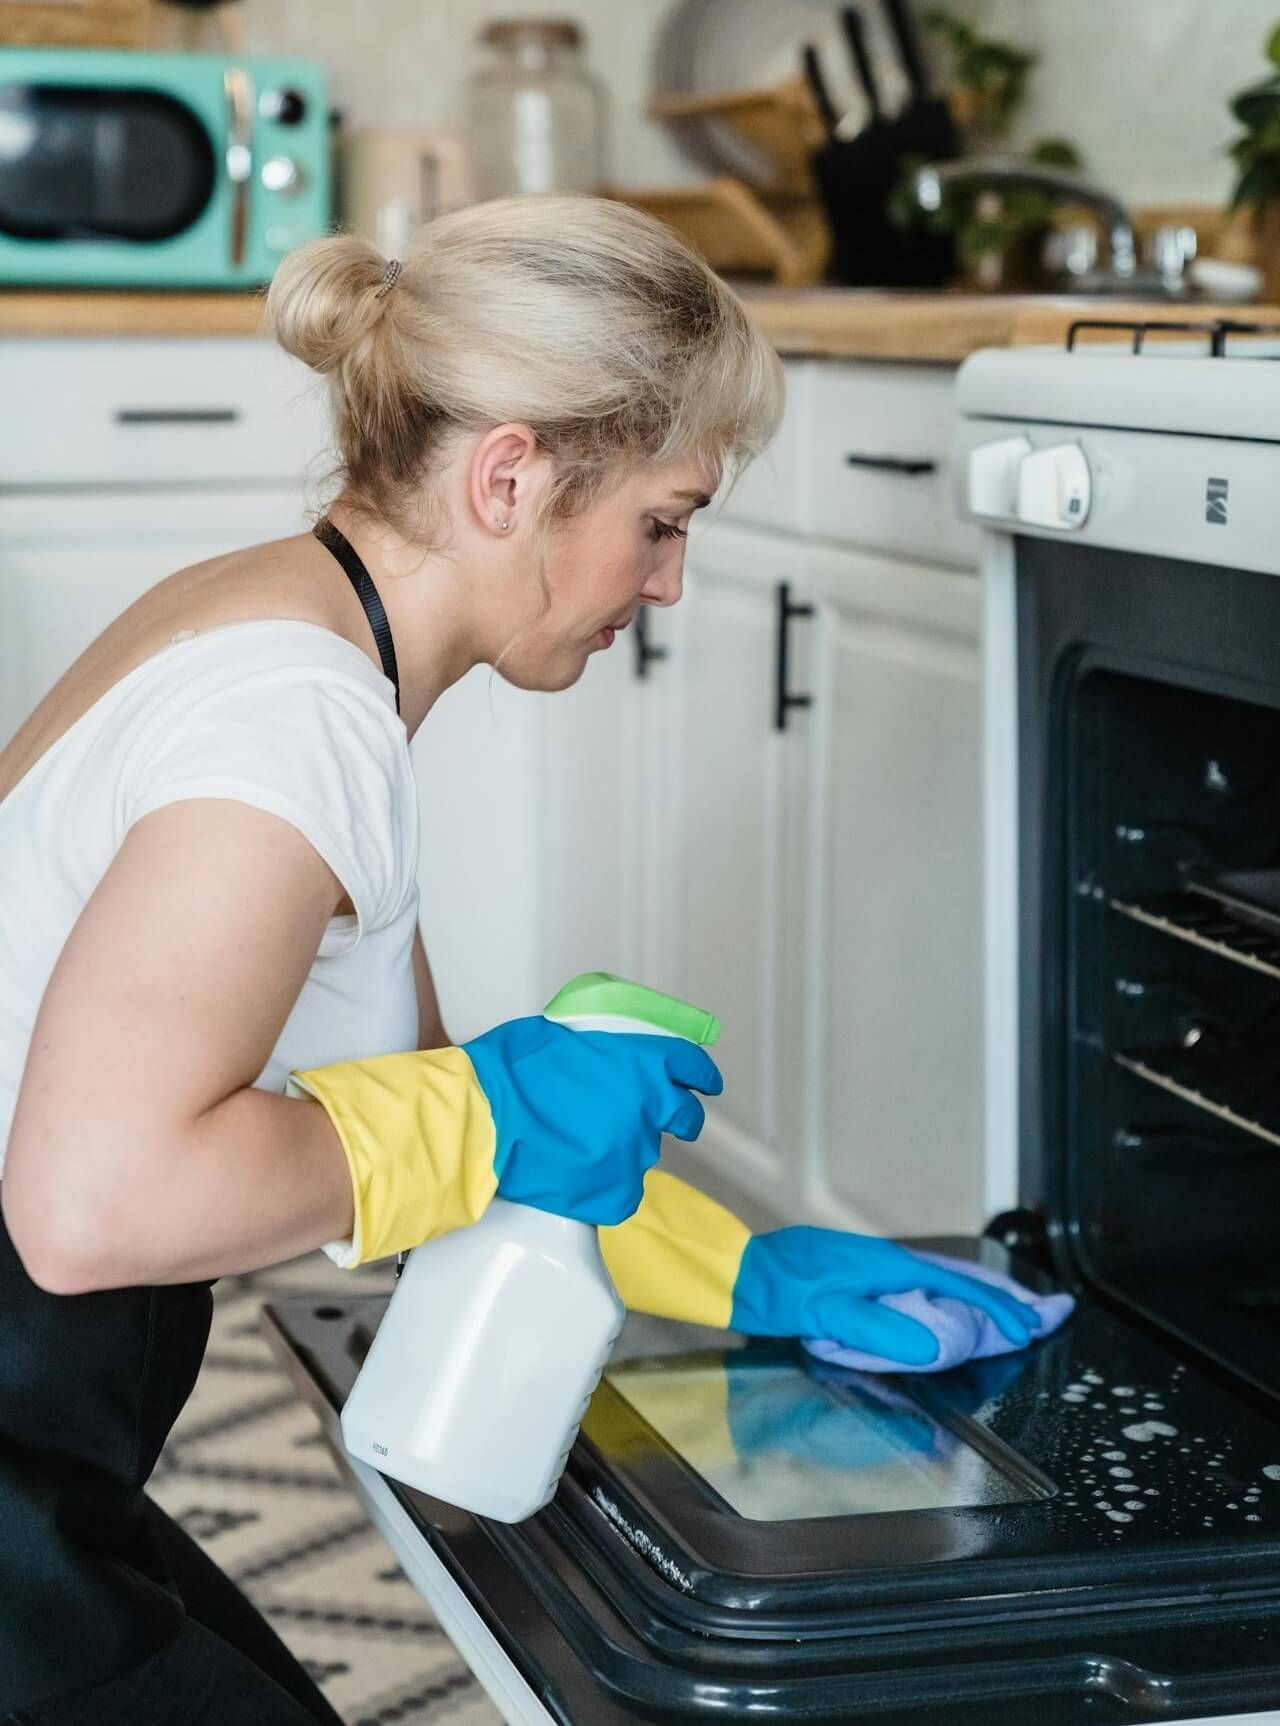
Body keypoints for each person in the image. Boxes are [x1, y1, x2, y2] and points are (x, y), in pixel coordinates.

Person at [0, 195, 1038, 1724]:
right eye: (664, 520)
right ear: (512, 476)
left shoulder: (300, 638)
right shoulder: (294, 721)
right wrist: (494, 1105)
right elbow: (95, 1205)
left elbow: (407, 1121)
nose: (669, 580)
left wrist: (738, 1268)